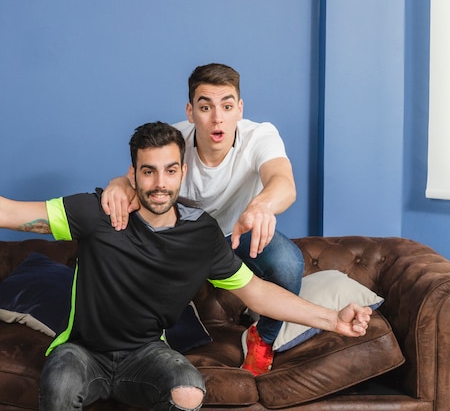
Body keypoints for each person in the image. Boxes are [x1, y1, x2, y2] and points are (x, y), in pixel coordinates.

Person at [0, 122, 370, 411]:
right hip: (81, 350)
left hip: (144, 353)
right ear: (132, 173)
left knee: (190, 392)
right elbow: (4, 211)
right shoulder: (98, 213)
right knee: (60, 382)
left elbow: (258, 293)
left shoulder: (200, 238)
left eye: (170, 171)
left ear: (183, 172)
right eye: (148, 171)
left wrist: (332, 319)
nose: (159, 184)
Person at [101, 63, 303, 375]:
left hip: (239, 231)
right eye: (205, 106)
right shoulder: (174, 140)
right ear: (191, 111)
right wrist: (118, 183)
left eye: (227, 105)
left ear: (240, 109)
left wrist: (261, 205)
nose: (217, 117)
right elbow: (138, 180)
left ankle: (262, 337)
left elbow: (283, 183)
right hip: (188, 240)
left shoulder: (260, 135)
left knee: (289, 265)